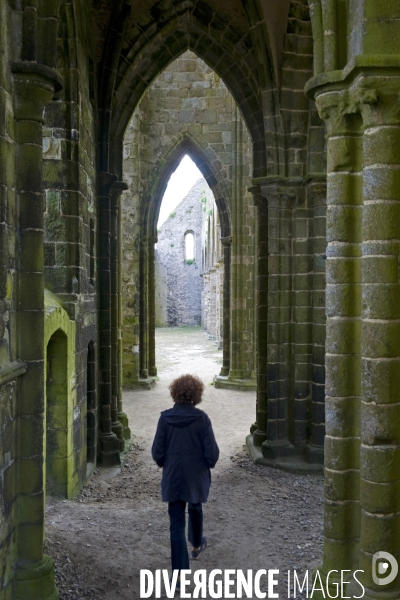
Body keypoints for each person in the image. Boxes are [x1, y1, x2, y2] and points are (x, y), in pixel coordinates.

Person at [151, 374, 219, 585]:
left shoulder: (165, 419)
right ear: (196, 394)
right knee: (196, 508)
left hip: (174, 477)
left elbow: (157, 452)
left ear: (175, 393)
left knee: (176, 524)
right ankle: (197, 546)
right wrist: (204, 464)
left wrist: (167, 463)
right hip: (195, 476)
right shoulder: (202, 419)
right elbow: (212, 454)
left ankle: (179, 576)